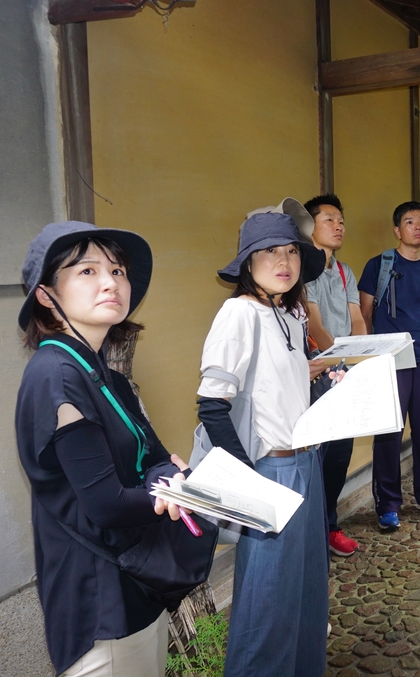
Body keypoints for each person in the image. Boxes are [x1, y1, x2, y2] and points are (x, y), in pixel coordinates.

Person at [15, 221, 199, 676]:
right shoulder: (57, 375)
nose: (109, 282)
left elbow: (156, 457)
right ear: (45, 295)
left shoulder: (106, 375)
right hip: (100, 599)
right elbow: (107, 503)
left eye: (117, 271)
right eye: (86, 271)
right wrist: (173, 490)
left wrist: (165, 477)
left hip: (137, 579)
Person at [196, 209, 330, 676]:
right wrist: (245, 479)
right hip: (269, 469)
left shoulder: (289, 314)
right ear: (248, 261)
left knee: (307, 591)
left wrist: (318, 377)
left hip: (305, 463)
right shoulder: (239, 313)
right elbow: (212, 404)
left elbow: (281, 387)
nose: (284, 260)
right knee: (266, 600)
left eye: (291, 250)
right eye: (270, 251)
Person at [359, 201, 420, 531]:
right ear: (397, 230)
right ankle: (388, 503)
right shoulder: (379, 266)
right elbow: (364, 314)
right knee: (388, 434)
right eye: (410, 222)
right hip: (390, 363)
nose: (419, 226)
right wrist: (372, 359)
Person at [304, 193, 367, 557]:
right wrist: (337, 360)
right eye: (329, 219)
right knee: (318, 453)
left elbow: (357, 319)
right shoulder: (304, 270)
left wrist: (357, 355)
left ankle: (329, 525)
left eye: (341, 220)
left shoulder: (344, 271)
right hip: (318, 372)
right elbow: (314, 324)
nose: (338, 225)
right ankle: (313, 529)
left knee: (341, 453)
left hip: (344, 371)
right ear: (311, 226)